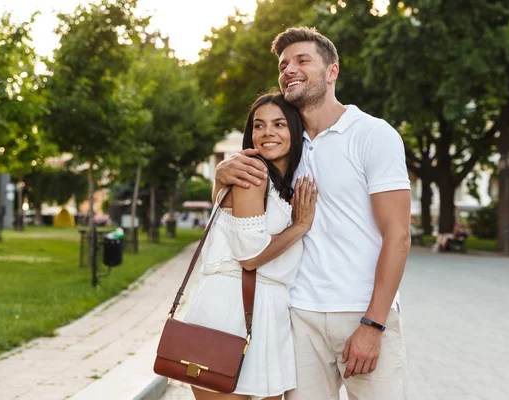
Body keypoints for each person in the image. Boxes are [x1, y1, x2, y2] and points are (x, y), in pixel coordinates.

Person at [214, 27, 411, 400]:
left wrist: (374, 323)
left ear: (332, 71)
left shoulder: (372, 134)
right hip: (298, 315)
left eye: (303, 60)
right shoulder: (284, 144)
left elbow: (398, 235)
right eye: (284, 64)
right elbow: (240, 200)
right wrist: (219, 175)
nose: (290, 69)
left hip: (360, 311)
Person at [171, 92, 318, 400]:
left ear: (294, 129)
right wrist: (300, 226)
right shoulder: (253, 173)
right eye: (259, 125)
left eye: (279, 124)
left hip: (267, 309)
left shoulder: (274, 181)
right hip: (229, 308)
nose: (268, 133)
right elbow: (249, 256)